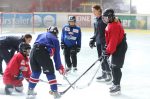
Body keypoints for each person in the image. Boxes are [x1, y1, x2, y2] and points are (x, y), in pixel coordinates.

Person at [27, 26, 65, 99]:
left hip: (33, 52)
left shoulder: (40, 35)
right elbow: (56, 55)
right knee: (50, 73)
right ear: (56, 33)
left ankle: (30, 90)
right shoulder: (55, 39)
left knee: (36, 72)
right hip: (42, 53)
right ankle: (55, 92)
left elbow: (39, 45)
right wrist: (59, 67)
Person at [102, 8, 128, 95]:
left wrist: (108, 51)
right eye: (104, 17)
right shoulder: (111, 23)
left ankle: (117, 86)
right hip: (117, 46)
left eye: (107, 17)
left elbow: (113, 41)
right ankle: (115, 83)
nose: (105, 19)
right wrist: (107, 47)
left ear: (111, 17)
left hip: (120, 47)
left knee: (115, 67)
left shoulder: (114, 26)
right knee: (113, 66)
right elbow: (110, 39)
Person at [89, 5, 112, 82]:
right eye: (92, 11)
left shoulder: (104, 19)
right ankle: (104, 74)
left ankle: (109, 74)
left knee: (105, 58)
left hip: (104, 42)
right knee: (100, 58)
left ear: (99, 10)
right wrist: (93, 40)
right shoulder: (96, 20)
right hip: (98, 42)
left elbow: (109, 31)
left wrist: (108, 43)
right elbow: (96, 32)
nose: (93, 12)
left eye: (94, 11)